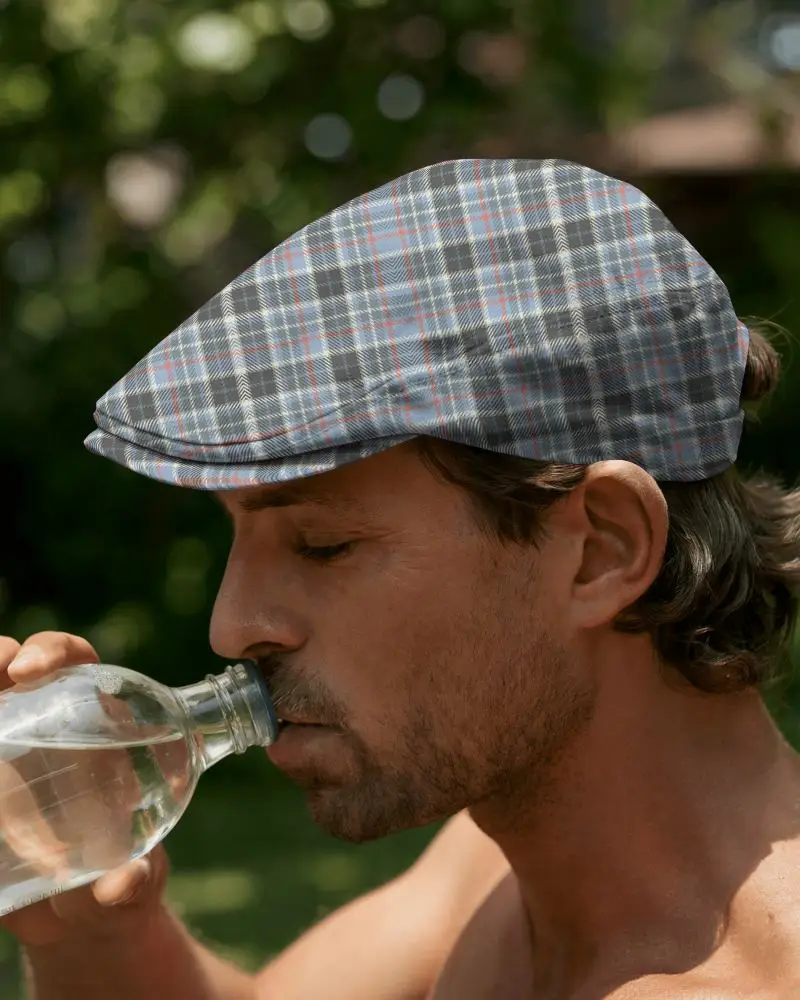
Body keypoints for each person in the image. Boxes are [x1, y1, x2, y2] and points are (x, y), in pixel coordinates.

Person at [2, 158, 799, 999]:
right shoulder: (494, 865)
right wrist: (97, 933)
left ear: (601, 548)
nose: (232, 628)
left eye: (321, 543)